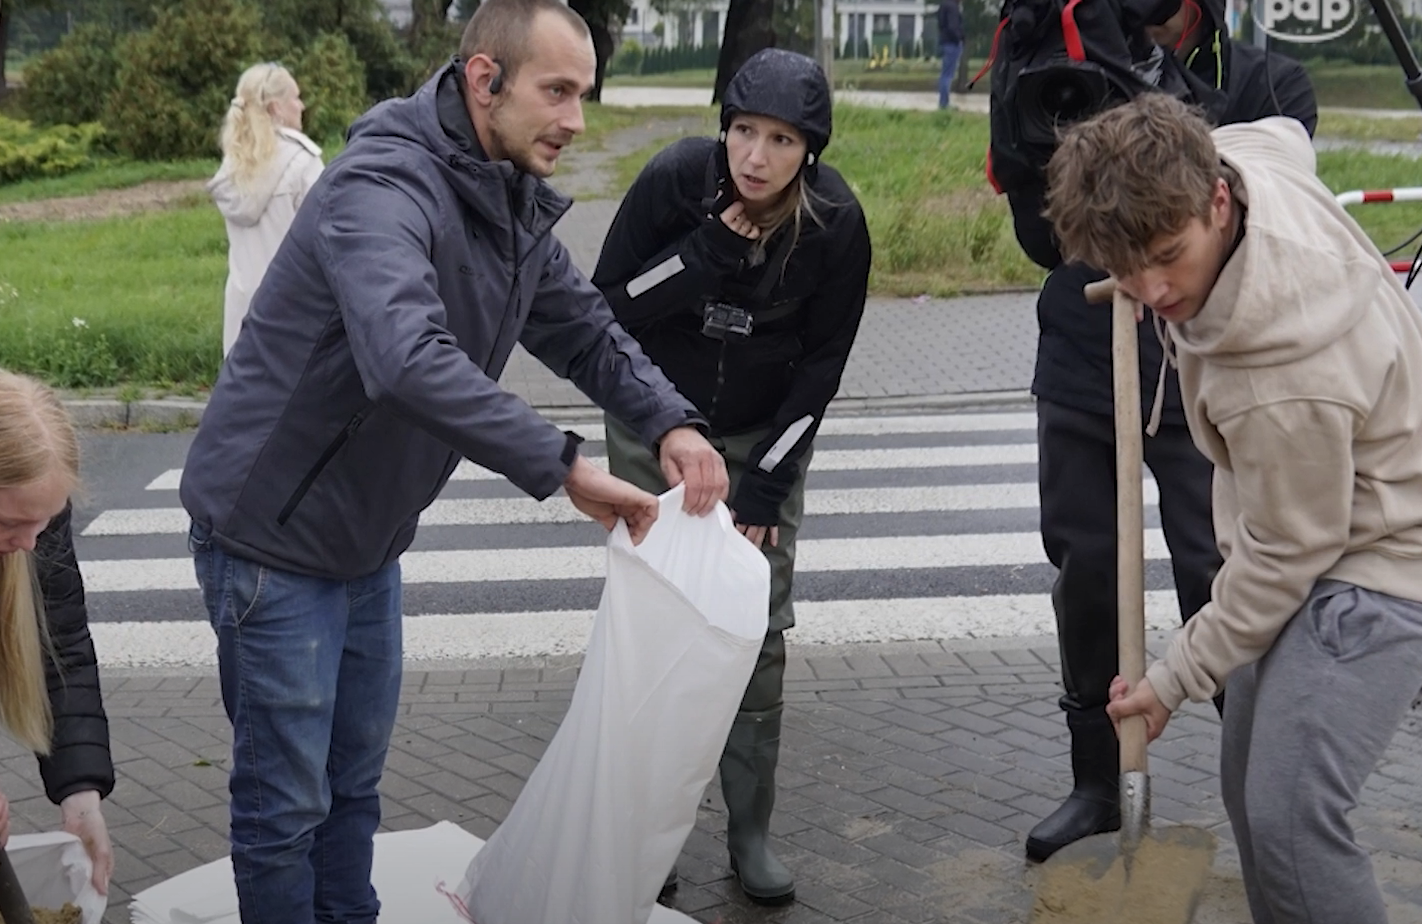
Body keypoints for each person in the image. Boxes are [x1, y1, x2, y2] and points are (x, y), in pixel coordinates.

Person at [178, 1, 728, 920]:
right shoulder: (381, 186)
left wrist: (671, 421)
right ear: (484, 81)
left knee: (352, 790)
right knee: (286, 809)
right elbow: (405, 356)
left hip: (365, 542)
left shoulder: (498, 190)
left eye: (583, 94)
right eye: (557, 91)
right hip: (270, 542)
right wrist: (561, 466)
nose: (575, 121)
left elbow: (585, 328)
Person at [1045, 91, 1422, 924]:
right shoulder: (1247, 164)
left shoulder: (1278, 373)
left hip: (1378, 564)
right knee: (1250, 793)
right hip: (1311, 534)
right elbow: (1281, 132)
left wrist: (1173, 678)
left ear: (1218, 201)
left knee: (1292, 819)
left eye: (1169, 255)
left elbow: (1292, 550)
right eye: (1126, 262)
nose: (1148, 287)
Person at [1016, 0, 1317, 862]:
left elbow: (1253, 205)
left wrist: (1150, 95)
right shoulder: (1064, 69)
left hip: (1205, 357)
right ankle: (1098, 782)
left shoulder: (1265, 80)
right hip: (1084, 347)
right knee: (1085, 565)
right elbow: (1044, 237)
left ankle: (1263, 779)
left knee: (1212, 560)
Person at [591, 48, 871, 906]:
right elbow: (609, 306)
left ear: (810, 150)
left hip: (760, 438)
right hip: (657, 430)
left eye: (781, 140)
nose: (756, 156)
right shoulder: (677, 180)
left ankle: (750, 834)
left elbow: (823, 367)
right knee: (655, 629)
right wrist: (703, 254)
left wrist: (763, 492)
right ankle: (649, 837)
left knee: (758, 635)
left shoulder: (836, 221)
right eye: (744, 131)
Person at [0, 369, 115, 895]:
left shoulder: (31, 526)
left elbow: (59, 649)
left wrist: (80, 793)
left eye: (43, 521)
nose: (28, 543)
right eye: (9, 524)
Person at [210, 62, 325, 357]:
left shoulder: (233, 164)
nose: (301, 105)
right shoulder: (304, 162)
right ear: (275, 108)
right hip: (293, 307)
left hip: (241, 304)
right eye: (295, 97)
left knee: (242, 396)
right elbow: (326, 238)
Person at [937, 0, 965, 110]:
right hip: (952, 43)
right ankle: (944, 104)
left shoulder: (943, 4)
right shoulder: (952, 7)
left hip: (944, 42)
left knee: (945, 74)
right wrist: (960, 38)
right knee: (948, 75)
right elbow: (953, 26)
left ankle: (943, 102)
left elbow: (941, 24)